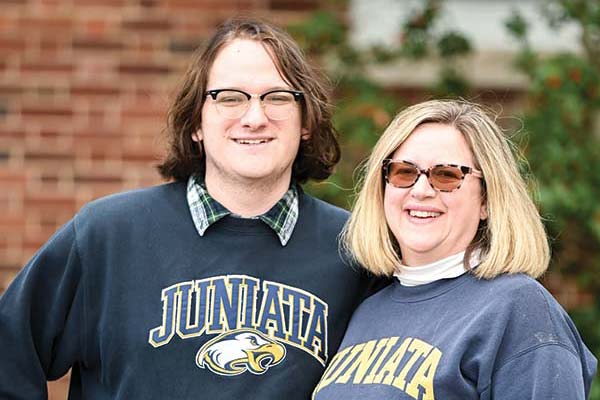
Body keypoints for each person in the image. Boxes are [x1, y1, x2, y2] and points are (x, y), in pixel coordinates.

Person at [0, 18, 379, 399]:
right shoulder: (107, 236)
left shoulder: (356, 251)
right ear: (196, 122)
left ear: (306, 123)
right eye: (230, 97)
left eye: (277, 98)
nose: (254, 117)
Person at [312, 99, 597, 399]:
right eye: (404, 172)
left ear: (486, 199)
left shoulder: (519, 309)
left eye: (446, 176)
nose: (420, 191)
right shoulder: (368, 308)